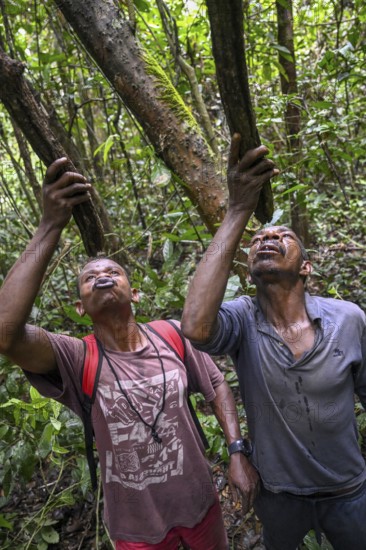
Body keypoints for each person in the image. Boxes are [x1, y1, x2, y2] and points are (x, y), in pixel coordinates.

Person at [0, 157, 257, 550]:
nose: (102, 275)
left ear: (134, 294)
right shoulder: (75, 358)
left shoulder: (171, 334)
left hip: (201, 506)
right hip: (136, 528)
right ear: (81, 307)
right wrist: (50, 224)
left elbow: (218, 384)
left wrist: (237, 451)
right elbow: (6, 334)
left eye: (114, 272)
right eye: (89, 277)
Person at [181, 134, 366, 550]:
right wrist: (238, 210)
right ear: (247, 271)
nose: (266, 239)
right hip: (279, 494)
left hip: (348, 491)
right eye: (257, 240)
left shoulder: (349, 319)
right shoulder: (243, 318)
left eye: (283, 236)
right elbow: (193, 327)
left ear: (306, 267)